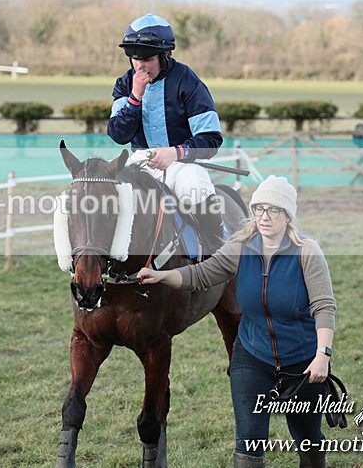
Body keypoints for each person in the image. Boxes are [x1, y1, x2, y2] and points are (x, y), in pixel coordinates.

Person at [138, 175, 336, 468]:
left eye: (274, 210)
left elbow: (324, 306)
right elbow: (202, 274)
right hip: (253, 355)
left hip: (302, 358)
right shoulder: (241, 245)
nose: (264, 217)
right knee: (249, 442)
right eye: (259, 208)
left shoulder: (307, 251)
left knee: (307, 437)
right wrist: (161, 276)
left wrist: (322, 356)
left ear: (288, 215)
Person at [108, 14, 224, 242]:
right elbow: (118, 134)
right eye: (134, 58)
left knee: (195, 189)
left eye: (147, 59)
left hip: (183, 161)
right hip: (140, 160)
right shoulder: (125, 83)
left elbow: (211, 139)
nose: (140, 66)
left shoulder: (188, 81)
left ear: (165, 54)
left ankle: (219, 252)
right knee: (112, 195)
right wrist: (135, 97)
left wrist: (174, 152)